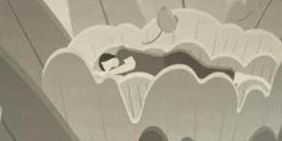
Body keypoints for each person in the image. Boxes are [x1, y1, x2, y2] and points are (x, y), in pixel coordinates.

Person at [97, 47, 236, 81]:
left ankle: (232, 76)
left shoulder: (122, 53)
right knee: (203, 75)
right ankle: (232, 76)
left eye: (111, 63)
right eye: (111, 67)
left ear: (111, 57)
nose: (114, 66)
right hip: (169, 69)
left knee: (203, 74)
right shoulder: (122, 73)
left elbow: (131, 64)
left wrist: (109, 72)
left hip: (171, 61)